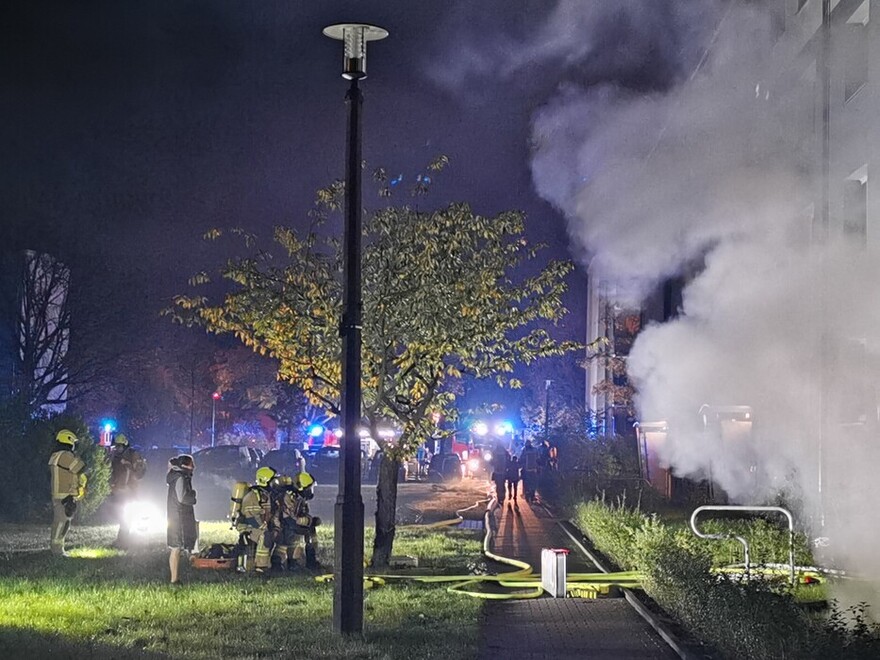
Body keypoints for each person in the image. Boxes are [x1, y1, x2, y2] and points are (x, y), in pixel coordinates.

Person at [48, 429, 88, 556]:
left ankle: (59, 549)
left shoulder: (56, 455)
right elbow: (80, 467)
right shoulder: (65, 455)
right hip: (64, 495)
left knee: (64, 522)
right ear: (68, 440)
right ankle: (57, 551)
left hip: (62, 494)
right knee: (61, 522)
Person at [271, 471, 320, 571]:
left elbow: (303, 514)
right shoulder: (289, 497)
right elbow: (289, 518)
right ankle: (289, 562)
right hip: (282, 524)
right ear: (302, 487)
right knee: (293, 537)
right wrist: (307, 522)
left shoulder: (300, 498)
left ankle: (310, 561)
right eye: (309, 488)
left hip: (288, 523)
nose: (311, 491)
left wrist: (309, 522)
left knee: (309, 532)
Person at [235, 466, 277, 573]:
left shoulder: (266, 495)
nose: (274, 484)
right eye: (272, 481)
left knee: (273, 534)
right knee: (265, 536)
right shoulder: (253, 496)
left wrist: (276, 527)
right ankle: (260, 567)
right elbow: (252, 517)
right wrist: (265, 528)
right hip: (248, 526)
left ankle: (269, 564)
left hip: (259, 525)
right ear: (265, 481)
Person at [109, 432, 147, 548]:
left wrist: (128, 466)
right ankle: (123, 539)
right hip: (120, 490)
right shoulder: (116, 457)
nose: (117, 448)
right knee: (122, 515)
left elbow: (139, 473)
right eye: (116, 446)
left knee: (126, 515)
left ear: (124, 445)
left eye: (119, 446)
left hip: (130, 490)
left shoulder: (133, 455)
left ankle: (124, 540)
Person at [166, 454, 197, 584]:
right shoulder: (180, 478)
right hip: (178, 518)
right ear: (185, 465)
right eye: (192, 464)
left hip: (177, 517)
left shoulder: (179, 476)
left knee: (177, 548)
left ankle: (176, 578)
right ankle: (174, 580)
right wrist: (193, 495)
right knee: (176, 548)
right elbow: (183, 498)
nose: (194, 467)